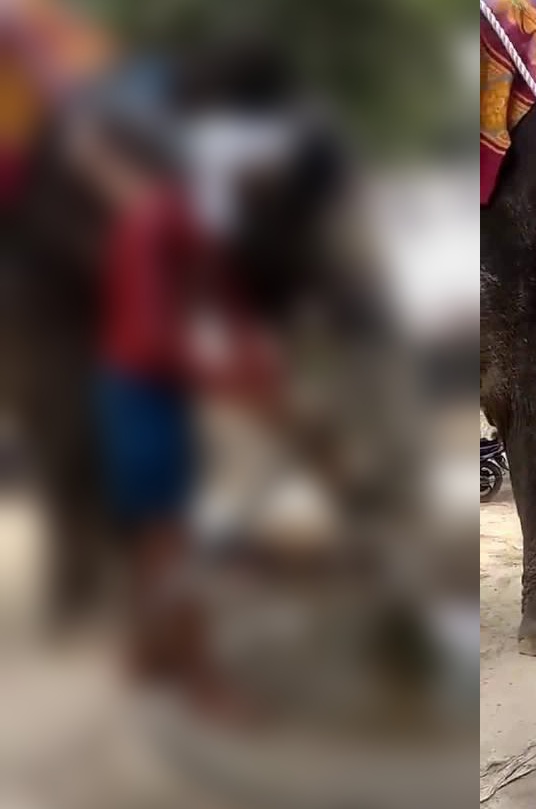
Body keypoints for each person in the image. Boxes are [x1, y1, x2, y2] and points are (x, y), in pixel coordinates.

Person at [69, 100, 277, 716]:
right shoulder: (155, 221)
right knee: (167, 538)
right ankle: (196, 677)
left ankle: (150, 653)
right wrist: (225, 376)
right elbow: (149, 336)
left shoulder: (195, 222)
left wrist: (251, 362)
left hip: (155, 387)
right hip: (140, 390)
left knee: (157, 532)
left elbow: (227, 300)